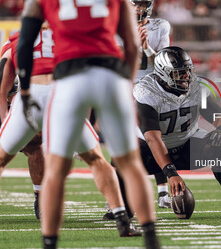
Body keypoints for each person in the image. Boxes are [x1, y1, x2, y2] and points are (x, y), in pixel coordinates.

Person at [17, 0, 159, 248]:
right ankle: (151, 238)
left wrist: (25, 91)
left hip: (69, 77)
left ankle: (50, 242)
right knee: (130, 164)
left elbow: (25, 44)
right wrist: (125, 84)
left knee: (56, 170)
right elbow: (133, 46)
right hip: (111, 74)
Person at [0, 26, 141, 237]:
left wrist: (6, 126)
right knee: (97, 160)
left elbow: (3, 89)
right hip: (63, 95)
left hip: (30, 97)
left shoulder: (16, 38)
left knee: (1, 159)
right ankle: (122, 219)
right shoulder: (75, 35)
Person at [131, 46, 221, 218]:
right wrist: (171, 173)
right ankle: (120, 205)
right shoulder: (146, 91)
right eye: (178, 73)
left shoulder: (196, 87)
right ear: (163, 73)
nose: (185, 77)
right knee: (120, 161)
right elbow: (153, 139)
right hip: (150, 151)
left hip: (185, 144)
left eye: (187, 71)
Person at [102, 0, 171, 221]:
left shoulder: (159, 26)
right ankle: (118, 202)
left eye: (143, 4)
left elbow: (166, 63)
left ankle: (162, 190)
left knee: (153, 137)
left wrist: (148, 49)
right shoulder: (112, 23)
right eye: (136, 3)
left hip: (151, 88)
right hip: (122, 87)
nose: (140, 8)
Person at [0, 33, 44, 220]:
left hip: (19, 106)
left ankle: (40, 197)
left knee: (35, 147)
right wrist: (5, 127)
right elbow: (1, 94)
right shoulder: (12, 50)